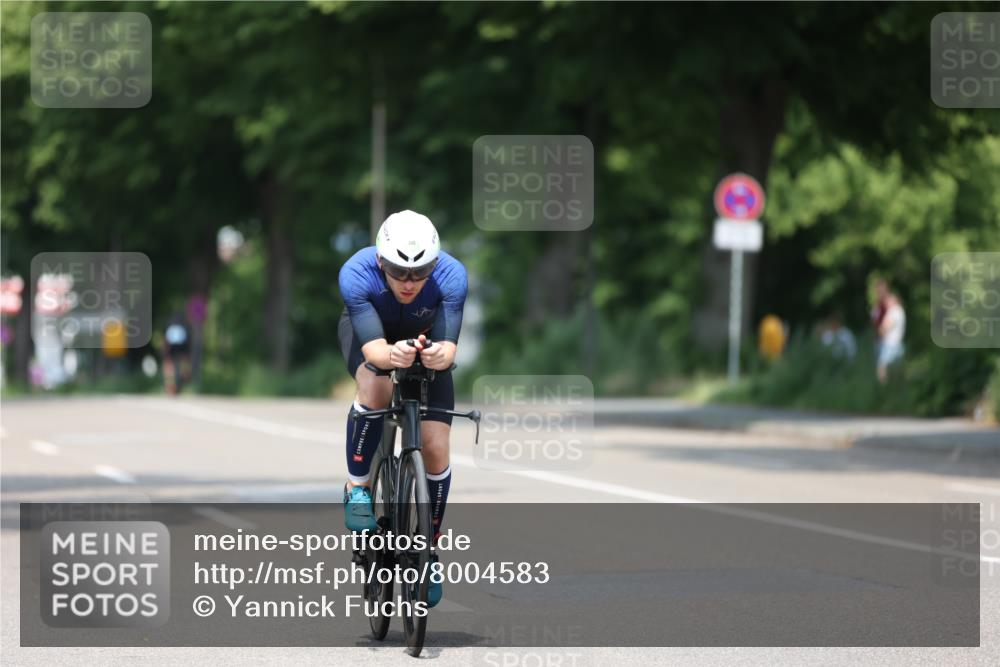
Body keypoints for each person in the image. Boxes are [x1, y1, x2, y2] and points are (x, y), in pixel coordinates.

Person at [337, 210, 468, 608]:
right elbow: (376, 350)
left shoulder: (452, 276)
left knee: (435, 445)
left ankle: (428, 549)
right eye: (398, 271)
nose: (410, 282)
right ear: (381, 261)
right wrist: (391, 353)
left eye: (420, 271)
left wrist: (437, 356)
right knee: (375, 381)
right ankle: (358, 488)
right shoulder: (356, 273)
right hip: (374, 339)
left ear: (435, 263)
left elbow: (448, 349)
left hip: (423, 344)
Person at [876, 290, 905, 382]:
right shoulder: (900, 311)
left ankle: (884, 390)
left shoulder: (894, 311)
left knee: (882, 368)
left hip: (889, 344)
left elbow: (885, 327)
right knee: (896, 369)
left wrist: (880, 330)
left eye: (888, 301)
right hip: (897, 343)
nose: (886, 303)